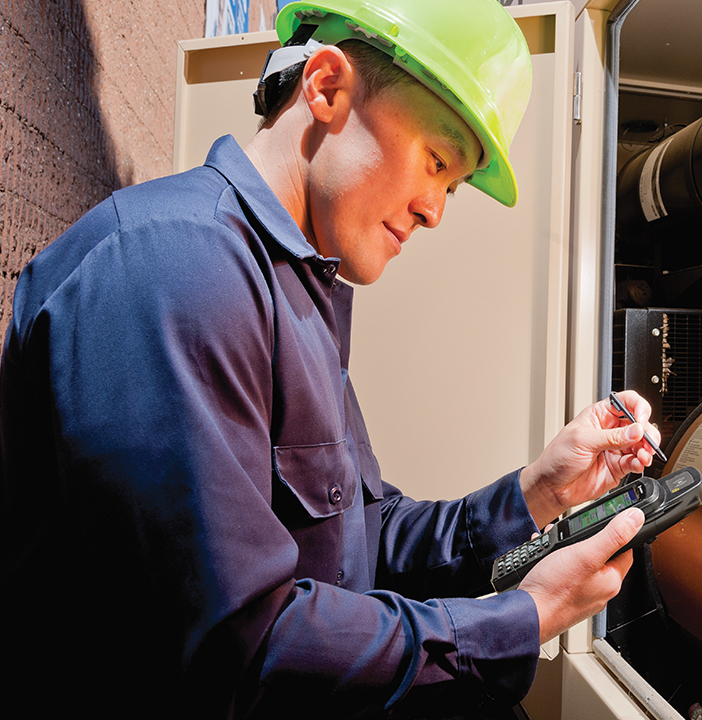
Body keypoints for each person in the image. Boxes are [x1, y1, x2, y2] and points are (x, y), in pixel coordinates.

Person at [0, 1, 659, 717]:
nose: (436, 210)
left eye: (453, 185)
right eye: (436, 163)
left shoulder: (298, 292)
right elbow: (239, 648)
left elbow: (361, 541)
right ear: (325, 87)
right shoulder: (176, 269)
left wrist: (539, 492)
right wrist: (524, 617)